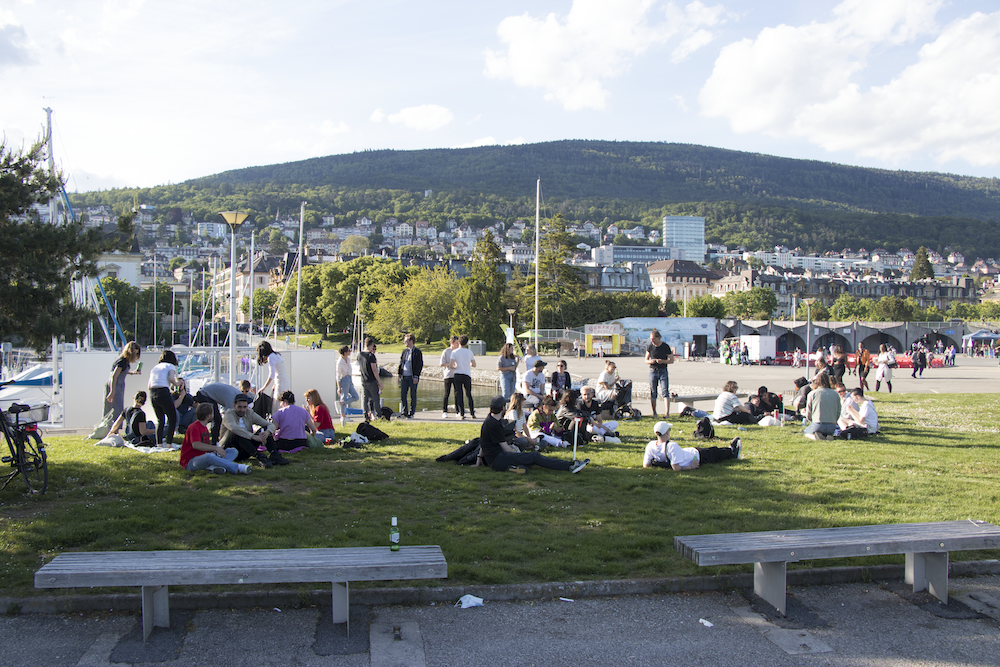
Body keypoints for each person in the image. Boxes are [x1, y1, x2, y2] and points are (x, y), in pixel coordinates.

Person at [476, 396, 589, 474]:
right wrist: (518, 455)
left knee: (529, 458)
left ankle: (513, 467)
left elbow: (483, 442)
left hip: (496, 460)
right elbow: (506, 448)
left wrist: (479, 459)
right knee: (534, 457)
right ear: (502, 408)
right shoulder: (494, 425)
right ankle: (570, 466)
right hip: (498, 460)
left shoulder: (489, 420)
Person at [180, 403, 251, 475]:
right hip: (190, 462)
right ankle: (238, 467)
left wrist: (215, 450)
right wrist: (215, 448)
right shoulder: (194, 427)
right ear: (208, 416)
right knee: (209, 457)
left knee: (233, 451)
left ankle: (214, 467)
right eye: (212, 413)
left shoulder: (204, 428)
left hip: (203, 457)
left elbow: (205, 447)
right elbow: (196, 445)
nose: (213, 415)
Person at [220, 393, 288, 467]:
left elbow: (269, 424)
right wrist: (252, 436)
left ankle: (274, 454)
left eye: (244, 407)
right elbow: (234, 428)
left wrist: (267, 432)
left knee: (264, 429)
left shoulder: (249, 413)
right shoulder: (229, 414)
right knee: (236, 433)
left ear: (247, 406)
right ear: (234, 406)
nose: (242, 410)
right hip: (230, 450)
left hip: (246, 449)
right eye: (239, 407)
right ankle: (259, 456)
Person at [643, 421, 741, 469]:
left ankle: (730, 450)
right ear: (667, 432)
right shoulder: (671, 446)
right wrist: (690, 466)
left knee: (713, 451)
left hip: (690, 452)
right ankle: (732, 452)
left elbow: (646, 465)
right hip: (695, 456)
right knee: (714, 452)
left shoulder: (651, 445)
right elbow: (676, 467)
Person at [191, 381, 253, 446]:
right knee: (216, 419)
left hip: (208, 393)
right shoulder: (231, 400)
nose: (243, 409)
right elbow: (231, 418)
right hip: (204, 394)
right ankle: (214, 443)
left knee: (217, 419)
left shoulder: (237, 394)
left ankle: (215, 440)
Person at [148, 350, 183, 445]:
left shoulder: (155, 368)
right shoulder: (170, 366)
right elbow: (171, 378)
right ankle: (168, 444)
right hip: (163, 392)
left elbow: (149, 386)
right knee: (172, 418)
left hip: (153, 393)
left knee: (160, 420)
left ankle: (159, 444)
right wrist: (177, 383)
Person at [104, 341, 141, 422]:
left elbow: (121, 372)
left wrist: (132, 373)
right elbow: (114, 376)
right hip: (115, 386)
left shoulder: (124, 361)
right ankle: (114, 428)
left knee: (116, 408)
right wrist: (112, 391)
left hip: (117, 386)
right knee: (116, 410)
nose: (135, 356)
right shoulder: (122, 362)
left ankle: (113, 427)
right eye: (135, 354)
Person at [645, 329, 674, 418]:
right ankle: (654, 413)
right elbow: (646, 360)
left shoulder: (665, 346)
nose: (652, 341)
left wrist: (662, 361)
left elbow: (671, 360)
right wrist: (651, 361)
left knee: (665, 391)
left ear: (659, 338)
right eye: (651, 339)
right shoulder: (650, 346)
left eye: (654, 339)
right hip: (653, 371)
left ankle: (667, 413)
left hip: (663, 371)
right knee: (653, 392)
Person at [803, 373, 840, 440]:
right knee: (827, 431)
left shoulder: (812, 394)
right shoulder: (835, 394)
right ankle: (828, 436)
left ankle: (816, 437)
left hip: (818, 424)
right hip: (831, 425)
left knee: (806, 431)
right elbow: (838, 411)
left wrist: (811, 421)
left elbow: (808, 412)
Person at [256, 341, 289, 412]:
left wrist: (263, 387)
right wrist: (274, 384)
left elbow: (272, 374)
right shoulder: (277, 355)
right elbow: (279, 370)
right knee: (282, 405)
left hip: (280, 382)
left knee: (276, 407)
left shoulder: (271, 357)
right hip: (284, 381)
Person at [397, 333, 423, 418]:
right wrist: (399, 375)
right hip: (404, 376)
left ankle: (412, 413)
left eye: (406, 341)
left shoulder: (417, 352)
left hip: (412, 377)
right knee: (403, 394)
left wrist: (416, 376)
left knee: (413, 395)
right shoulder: (404, 352)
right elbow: (401, 363)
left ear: (411, 341)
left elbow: (419, 365)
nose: (404, 342)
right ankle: (404, 411)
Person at [451, 335, 477, 420]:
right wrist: (468, 364)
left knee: (459, 394)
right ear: (466, 343)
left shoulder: (454, 352)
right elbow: (474, 364)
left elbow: (451, 365)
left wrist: (455, 366)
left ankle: (461, 413)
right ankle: (472, 413)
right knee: (468, 394)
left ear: (459, 342)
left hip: (458, 374)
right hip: (466, 374)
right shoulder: (469, 352)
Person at [358, 337, 383, 421]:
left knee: (365, 399)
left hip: (363, 380)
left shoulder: (360, 354)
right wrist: (379, 381)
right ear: (372, 345)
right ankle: (379, 415)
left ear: (365, 344)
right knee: (376, 399)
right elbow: (374, 370)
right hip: (371, 380)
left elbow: (360, 368)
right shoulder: (371, 356)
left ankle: (366, 415)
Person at [336, 345, 360, 422]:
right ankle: (343, 416)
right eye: (349, 351)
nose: (350, 352)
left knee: (356, 396)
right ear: (345, 353)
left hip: (349, 379)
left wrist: (351, 381)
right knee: (344, 397)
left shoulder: (348, 359)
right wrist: (339, 387)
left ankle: (342, 403)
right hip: (344, 379)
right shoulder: (340, 362)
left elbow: (350, 371)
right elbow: (338, 375)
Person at [439, 336, 459, 418]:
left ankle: (458, 411)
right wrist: (451, 364)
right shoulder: (446, 351)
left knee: (457, 393)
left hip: (457, 374)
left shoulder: (458, 351)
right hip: (448, 375)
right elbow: (441, 364)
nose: (458, 344)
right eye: (456, 343)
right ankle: (444, 411)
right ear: (452, 343)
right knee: (447, 393)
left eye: (458, 343)